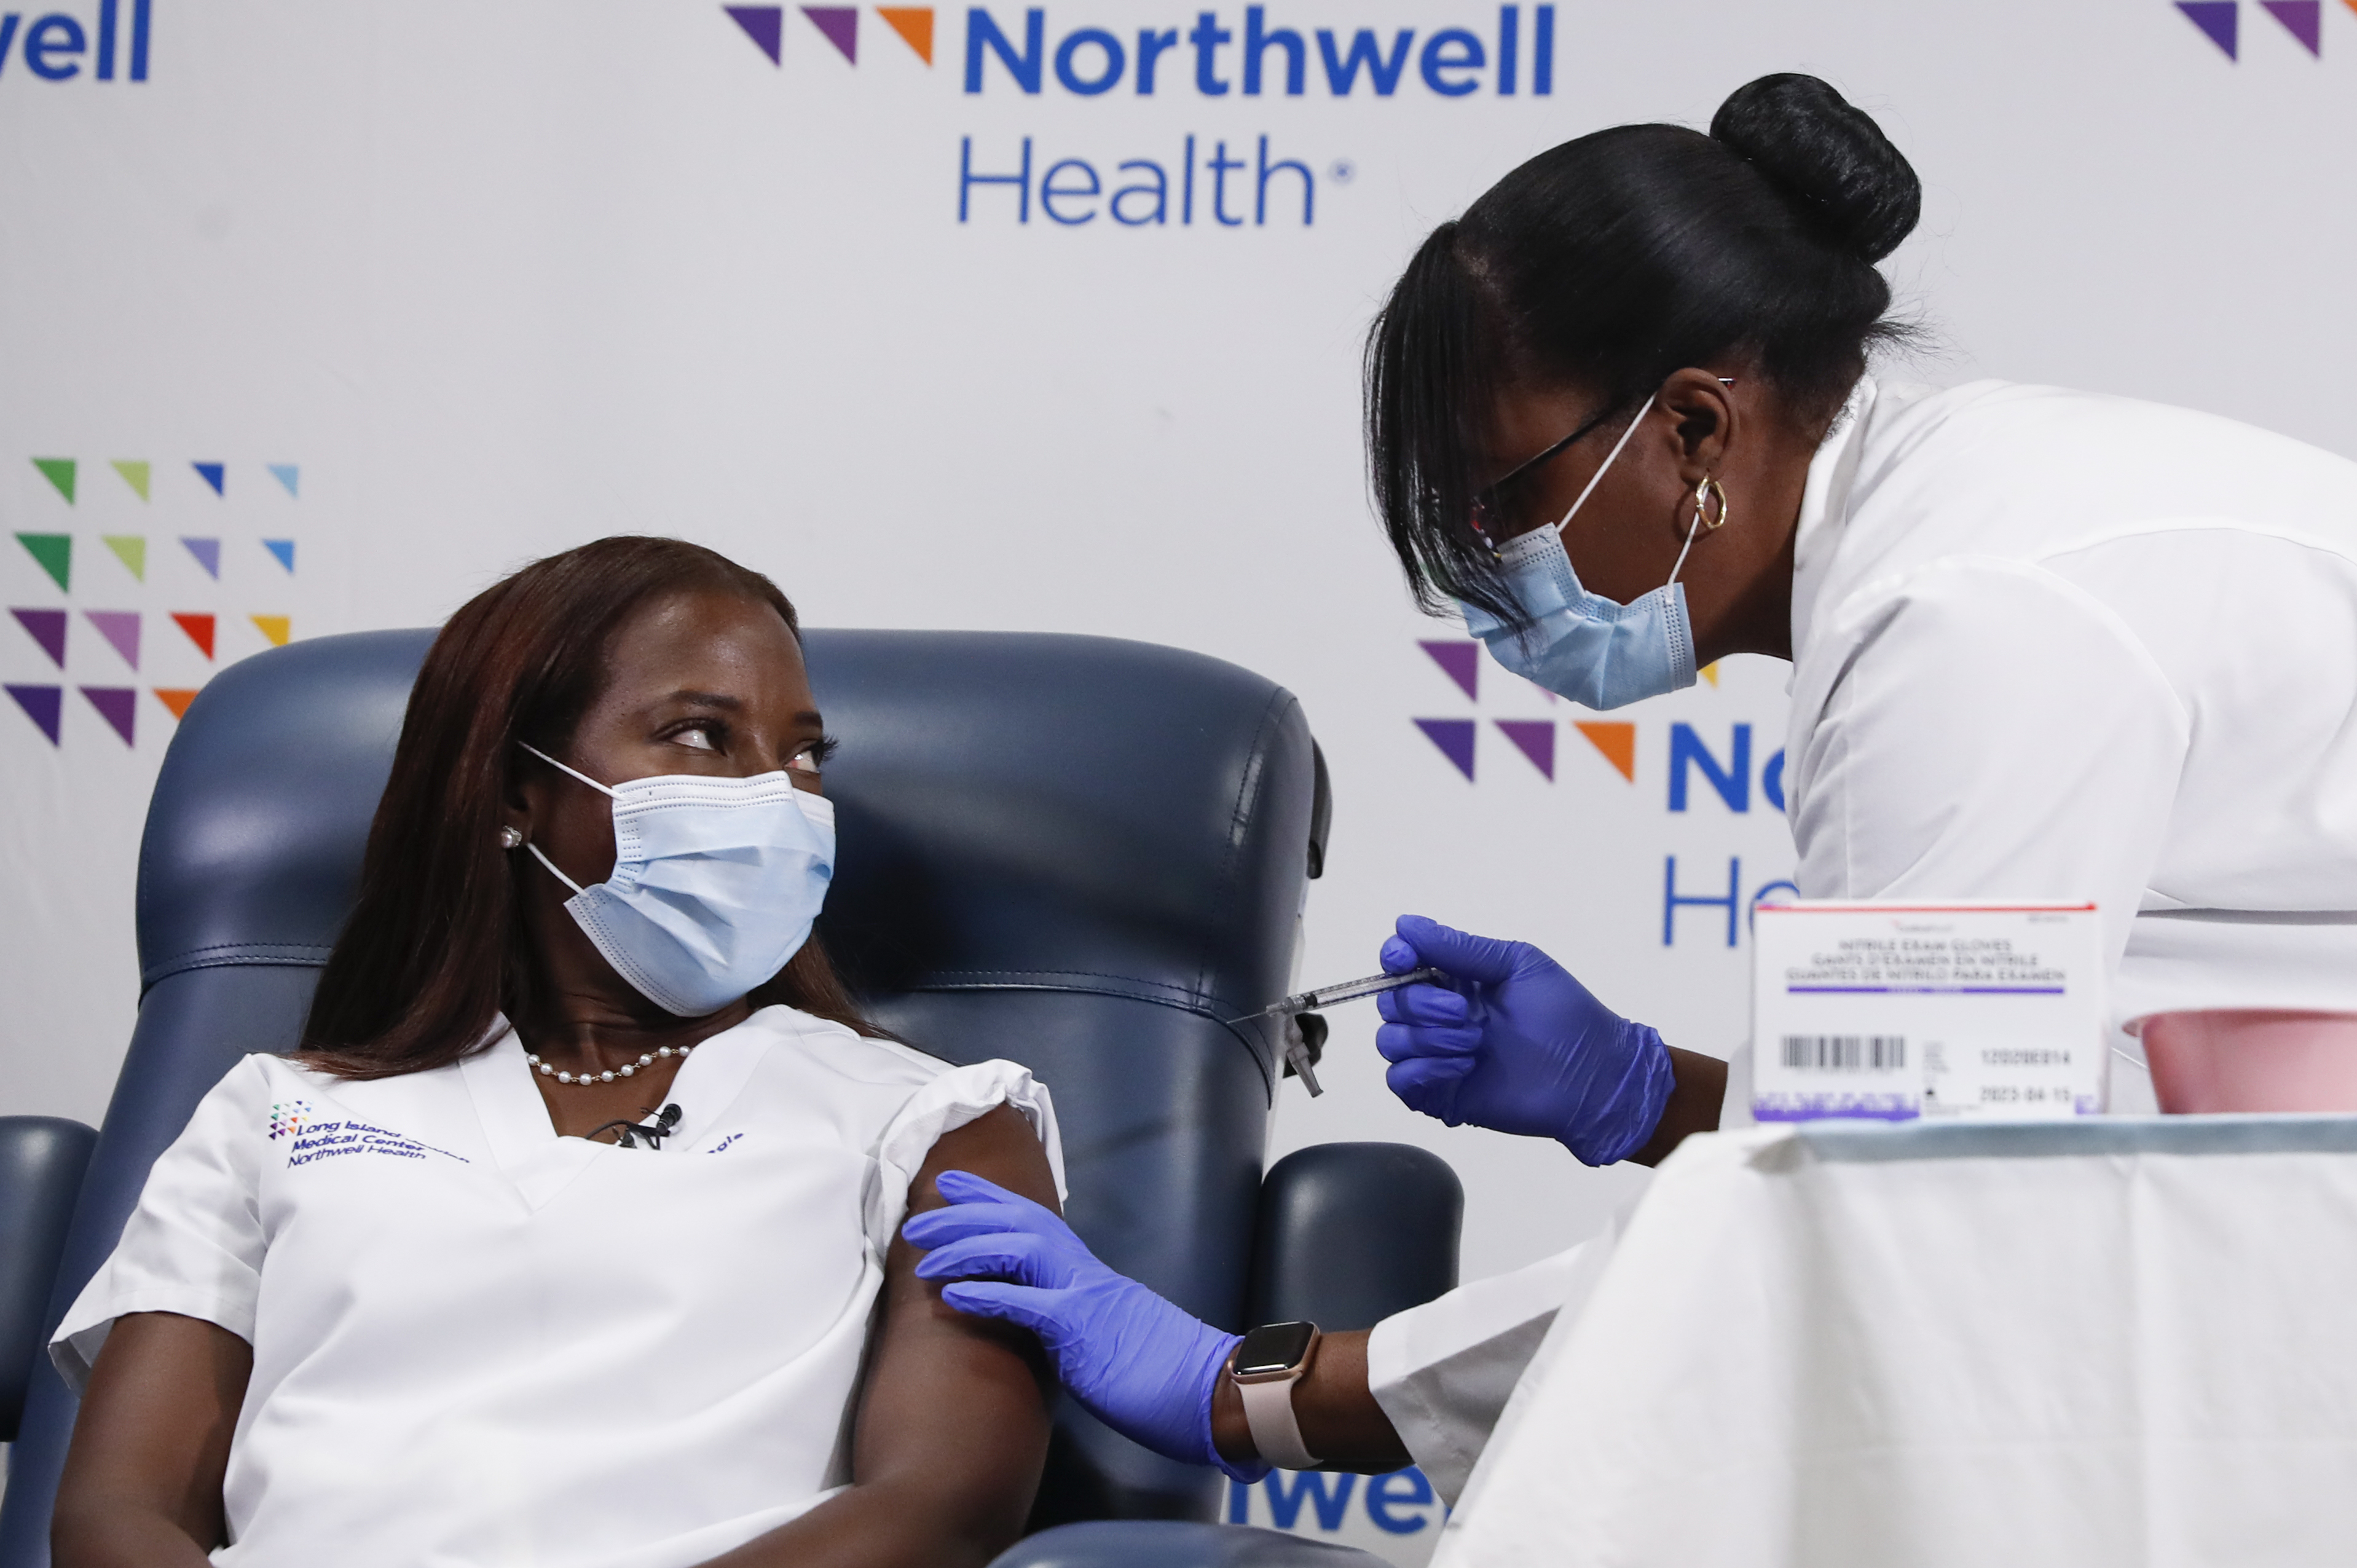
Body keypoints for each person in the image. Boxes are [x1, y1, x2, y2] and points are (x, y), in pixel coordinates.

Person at [903, 71, 2357, 1497]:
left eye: (1505, 500)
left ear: (1692, 432)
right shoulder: (1963, 537)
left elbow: (1877, 1237)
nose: (1485, 569)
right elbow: (1949, 1144)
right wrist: (1651, 1092)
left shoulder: (1966, 623)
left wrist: (1250, 1393)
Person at [48, 537, 1066, 1568]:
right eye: (703, 735)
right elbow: (118, 1515)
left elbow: (942, 1504)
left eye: (803, 754)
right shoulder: (274, 1113)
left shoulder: (941, 1122)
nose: (778, 797)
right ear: (510, 793)